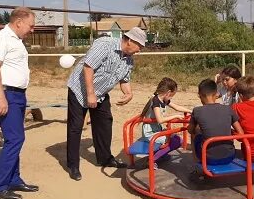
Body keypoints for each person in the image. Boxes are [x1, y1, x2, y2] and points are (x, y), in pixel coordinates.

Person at [66, 27, 146, 181]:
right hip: (80, 89)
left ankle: (105, 158)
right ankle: (73, 165)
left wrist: (129, 93)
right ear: (130, 40)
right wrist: (90, 94)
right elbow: (88, 67)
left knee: (105, 124)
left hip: (101, 93)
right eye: (139, 47)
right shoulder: (105, 45)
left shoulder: (129, 59)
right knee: (76, 127)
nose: (140, 51)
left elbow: (124, 79)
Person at [0, 7, 38, 199]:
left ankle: (14, 179)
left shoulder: (16, 40)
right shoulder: (1, 38)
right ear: (19, 23)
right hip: (7, 94)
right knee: (15, 139)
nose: (32, 30)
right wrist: (1, 97)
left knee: (16, 138)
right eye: (31, 26)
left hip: (17, 95)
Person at [188, 79, 243, 166]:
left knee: (194, 134)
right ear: (216, 94)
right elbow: (241, 133)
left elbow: (190, 130)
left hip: (209, 159)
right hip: (229, 156)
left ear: (200, 95)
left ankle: (197, 164)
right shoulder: (228, 109)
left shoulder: (197, 111)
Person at [140, 77, 191, 163]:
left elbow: (177, 107)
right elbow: (160, 120)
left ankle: (160, 155)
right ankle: (152, 160)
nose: (171, 98)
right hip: (150, 134)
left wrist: (191, 111)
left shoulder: (162, 99)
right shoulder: (155, 101)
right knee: (176, 142)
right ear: (168, 93)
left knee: (177, 139)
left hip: (157, 130)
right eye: (172, 95)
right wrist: (175, 116)